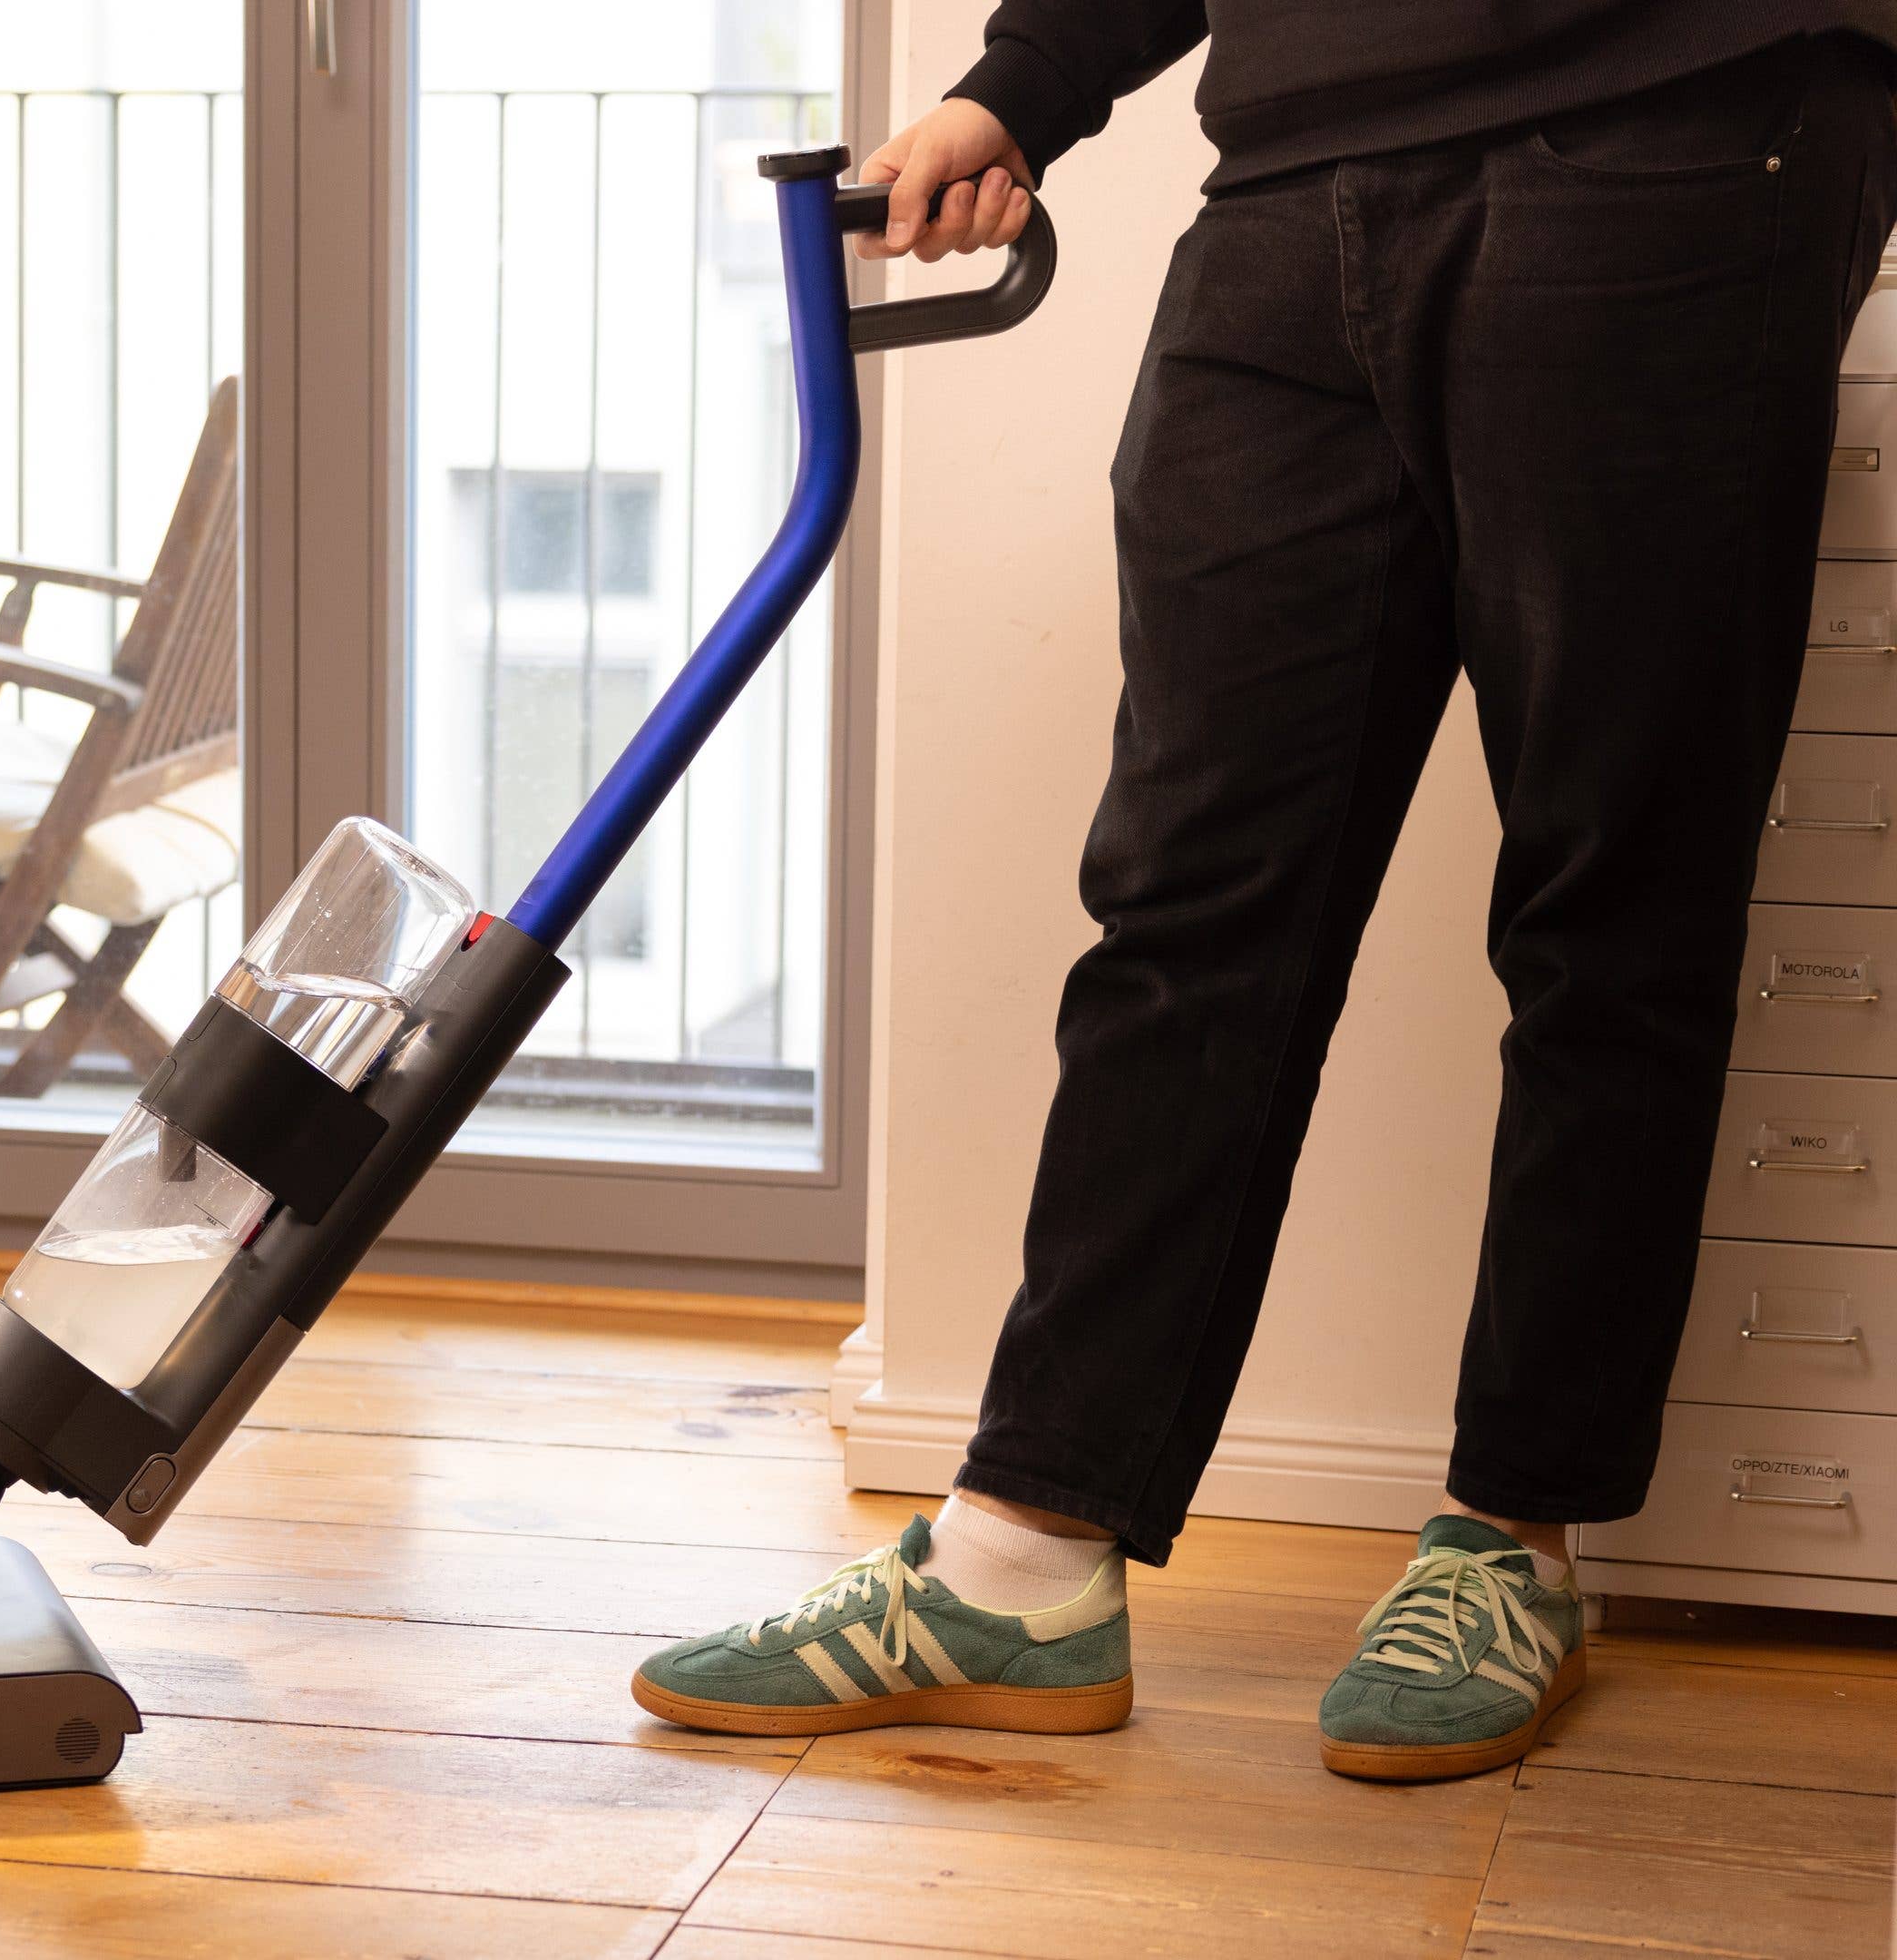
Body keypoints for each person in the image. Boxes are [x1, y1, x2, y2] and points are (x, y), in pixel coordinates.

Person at [634, 8, 1897, 1782]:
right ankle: (1020, 1556)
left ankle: (1512, 1536)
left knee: (1613, 899)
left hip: (1677, 123)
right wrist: (1023, 86)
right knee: (1189, 902)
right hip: (1294, 184)